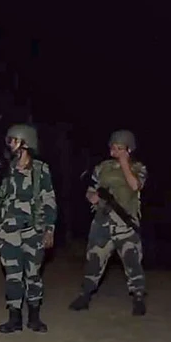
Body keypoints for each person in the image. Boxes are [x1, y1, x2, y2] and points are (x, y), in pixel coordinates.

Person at [68, 129, 148, 316]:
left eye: (119, 147)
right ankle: (85, 295)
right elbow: (90, 189)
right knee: (94, 260)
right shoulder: (102, 167)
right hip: (102, 221)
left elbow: (135, 186)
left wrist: (124, 163)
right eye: (113, 146)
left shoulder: (138, 168)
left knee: (132, 261)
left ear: (128, 149)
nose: (114, 150)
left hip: (126, 223)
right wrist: (92, 196)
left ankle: (138, 298)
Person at [0, 124, 57, 334]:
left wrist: (49, 229)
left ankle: (34, 317)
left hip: (33, 230)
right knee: (12, 276)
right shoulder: (4, 169)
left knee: (33, 275)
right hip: (8, 231)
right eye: (10, 141)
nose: (10, 145)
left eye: (14, 141)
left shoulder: (41, 169)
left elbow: (49, 199)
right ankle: (14, 318)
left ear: (26, 143)